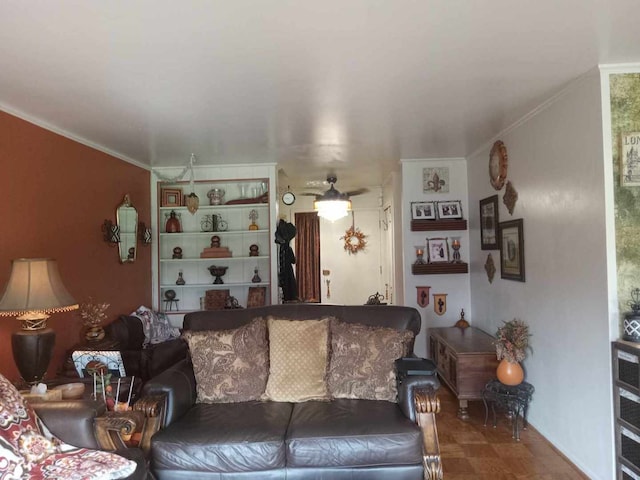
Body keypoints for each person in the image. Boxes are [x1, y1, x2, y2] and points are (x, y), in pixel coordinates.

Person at [275, 219, 298, 301]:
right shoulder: (286, 248)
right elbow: (293, 260)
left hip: (285, 276)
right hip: (286, 275)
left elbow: (292, 261)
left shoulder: (284, 248)